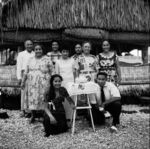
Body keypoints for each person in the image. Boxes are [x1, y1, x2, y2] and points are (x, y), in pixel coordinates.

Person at [21, 44, 53, 123]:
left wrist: (52, 82)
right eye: (36, 49)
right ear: (34, 50)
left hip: (44, 82)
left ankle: (45, 116)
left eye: (40, 49)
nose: (38, 51)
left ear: (42, 50)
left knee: (43, 97)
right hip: (32, 83)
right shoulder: (30, 59)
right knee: (32, 98)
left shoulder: (47, 59)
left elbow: (52, 71)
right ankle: (33, 115)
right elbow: (26, 71)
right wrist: (23, 81)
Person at [55, 48, 76, 120]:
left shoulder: (72, 60)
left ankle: (72, 116)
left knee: (70, 98)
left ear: (68, 52)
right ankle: (63, 116)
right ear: (61, 52)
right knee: (63, 99)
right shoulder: (57, 61)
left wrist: (75, 82)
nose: (65, 53)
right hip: (62, 83)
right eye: (63, 51)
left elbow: (74, 72)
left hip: (70, 82)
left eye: (66, 51)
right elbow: (57, 74)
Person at [16, 39, 34, 117]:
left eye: (31, 44)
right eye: (28, 44)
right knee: (24, 92)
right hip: (24, 74)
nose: (29, 46)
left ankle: (30, 110)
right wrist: (19, 77)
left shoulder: (35, 53)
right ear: (25, 45)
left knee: (31, 92)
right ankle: (22, 110)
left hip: (33, 74)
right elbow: (19, 66)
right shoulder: (21, 54)